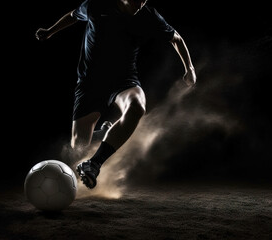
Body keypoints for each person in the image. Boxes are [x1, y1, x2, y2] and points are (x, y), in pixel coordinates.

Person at [35, 0, 197, 189]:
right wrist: (49, 31)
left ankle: (94, 164)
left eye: (144, 0)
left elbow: (175, 38)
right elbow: (72, 16)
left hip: (124, 80)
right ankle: (104, 134)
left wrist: (190, 68)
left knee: (137, 107)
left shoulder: (148, 15)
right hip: (90, 84)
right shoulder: (97, 5)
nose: (141, 3)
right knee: (78, 148)